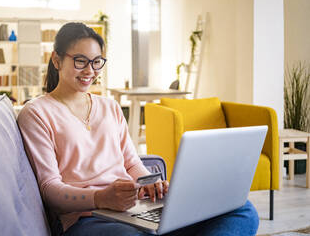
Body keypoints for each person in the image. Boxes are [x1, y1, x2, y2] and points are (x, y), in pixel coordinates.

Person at [17, 22, 259, 236]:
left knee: (241, 209)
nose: (90, 70)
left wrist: (149, 182)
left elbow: (132, 163)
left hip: (135, 209)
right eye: (80, 61)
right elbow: (50, 188)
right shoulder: (37, 113)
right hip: (87, 220)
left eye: (96, 61)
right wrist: (100, 197)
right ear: (57, 60)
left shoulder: (110, 107)